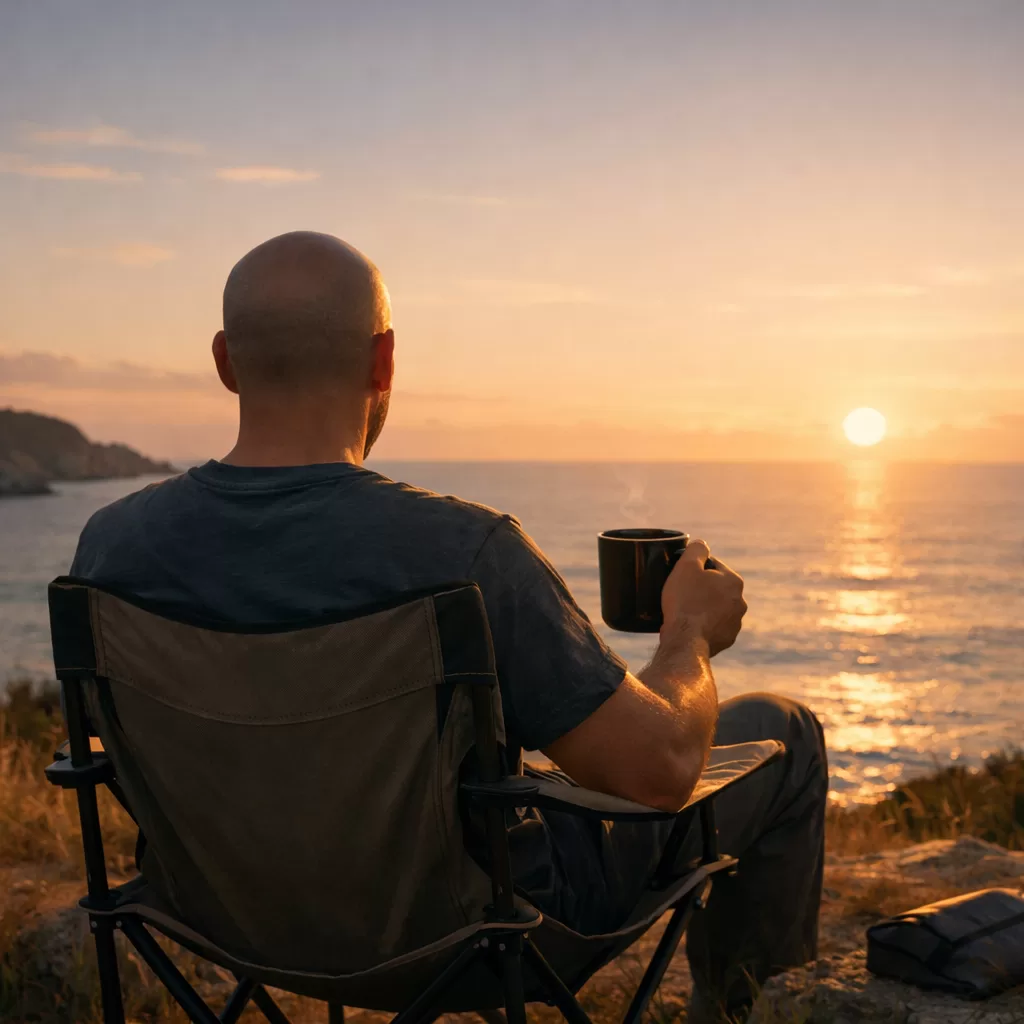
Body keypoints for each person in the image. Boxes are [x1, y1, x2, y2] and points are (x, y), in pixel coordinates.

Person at [70, 231, 827, 1022]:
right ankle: (732, 1010)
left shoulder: (110, 548)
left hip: (223, 919)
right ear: (384, 361)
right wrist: (689, 637)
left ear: (225, 361)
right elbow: (661, 769)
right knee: (786, 730)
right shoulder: (466, 554)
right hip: (484, 934)